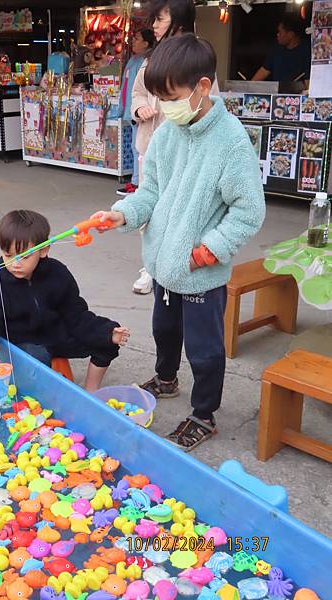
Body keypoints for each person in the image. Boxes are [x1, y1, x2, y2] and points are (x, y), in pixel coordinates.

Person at [92, 35, 265, 450]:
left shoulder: (230, 142)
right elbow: (150, 192)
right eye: (160, 97)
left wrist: (209, 249)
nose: (164, 106)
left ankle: (204, 414)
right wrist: (124, 213)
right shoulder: (169, 134)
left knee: (204, 349)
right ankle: (166, 378)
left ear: (203, 87)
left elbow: (249, 211)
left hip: (200, 270)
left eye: (171, 96)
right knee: (165, 330)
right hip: (163, 264)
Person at [0, 210, 130, 392]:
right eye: (8, 255)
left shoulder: (57, 273)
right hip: (21, 341)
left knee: (106, 341)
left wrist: (106, 331)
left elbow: (76, 314)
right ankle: (44, 393)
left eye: (25, 256)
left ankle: (91, 391)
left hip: (56, 334)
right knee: (36, 360)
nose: (15, 264)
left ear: (43, 250)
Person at [130, 0, 219, 295]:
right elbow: (138, 94)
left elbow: (211, 107)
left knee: (186, 208)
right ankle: (151, 266)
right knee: (150, 202)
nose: (154, 25)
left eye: (160, 18)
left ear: (179, 20)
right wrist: (140, 107)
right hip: (152, 144)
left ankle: (183, 261)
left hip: (190, 152)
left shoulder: (197, 57)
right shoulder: (149, 58)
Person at [117, 29, 155, 197]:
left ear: (146, 43)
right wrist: (122, 109)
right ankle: (136, 181)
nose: (133, 41)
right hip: (131, 111)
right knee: (135, 147)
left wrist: (140, 109)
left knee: (140, 148)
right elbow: (127, 89)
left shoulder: (147, 61)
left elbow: (142, 90)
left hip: (142, 113)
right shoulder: (132, 61)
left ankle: (138, 183)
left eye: (137, 39)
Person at [252, 15, 311, 84]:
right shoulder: (276, 49)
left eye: (280, 32)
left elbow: (308, 81)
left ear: (290, 34)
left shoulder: (306, 51)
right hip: (277, 92)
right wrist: (249, 87)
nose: (277, 34)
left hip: (297, 92)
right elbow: (264, 70)